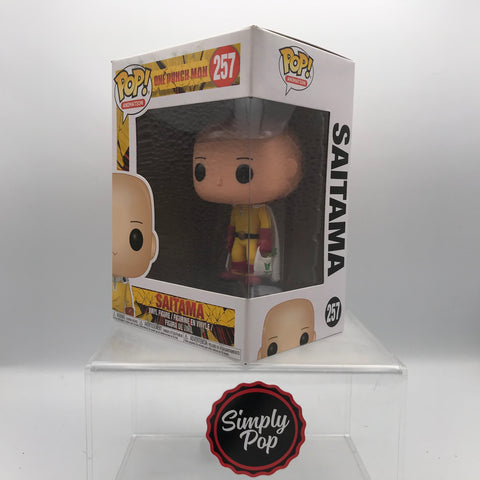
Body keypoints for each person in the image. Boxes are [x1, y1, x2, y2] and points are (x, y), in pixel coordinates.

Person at [193, 123, 302, 284]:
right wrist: (230, 237)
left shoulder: (260, 210)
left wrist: (265, 241)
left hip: (253, 240)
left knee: (252, 256)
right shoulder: (237, 209)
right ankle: (237, 271)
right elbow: (232, 224)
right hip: (239, 238)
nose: (219, 182)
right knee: (237, 254)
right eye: (201, 170)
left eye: (243, 172)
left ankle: (252, 272)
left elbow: (265, 227)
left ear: (288, 169)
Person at [112, 172, 158, 316]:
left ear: (152, 246)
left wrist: (129, 306)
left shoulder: (124, 279)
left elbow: (127, 294)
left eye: (135, 239)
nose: (114, 249)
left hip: (120, 314)